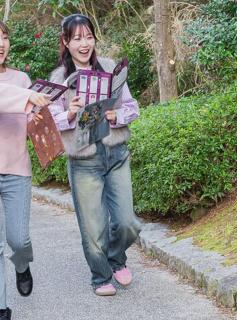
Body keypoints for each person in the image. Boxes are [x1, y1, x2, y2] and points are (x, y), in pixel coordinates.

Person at [49, 14, 141, 296]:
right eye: (77, 38)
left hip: (116, 154)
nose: (84, 43)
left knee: (127, 223)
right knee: (94, 228)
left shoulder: (111, 68)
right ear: (66, 42)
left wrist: (116, 115)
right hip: (83, 160)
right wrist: (70, 112)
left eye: (88, 36)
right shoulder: (60, 78)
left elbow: (133, 107)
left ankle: (116, 258)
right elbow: (50, 121)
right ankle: (100, 277)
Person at [0, 21, 50, 320]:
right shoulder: (20, 90)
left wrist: (48, 110)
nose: (1, 43)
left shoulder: (21, 78)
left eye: (4, 37)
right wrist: (26, 97)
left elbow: (35, 118)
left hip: (17, 169)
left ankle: (22, 264)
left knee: (18, 241)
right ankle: (2, 308)